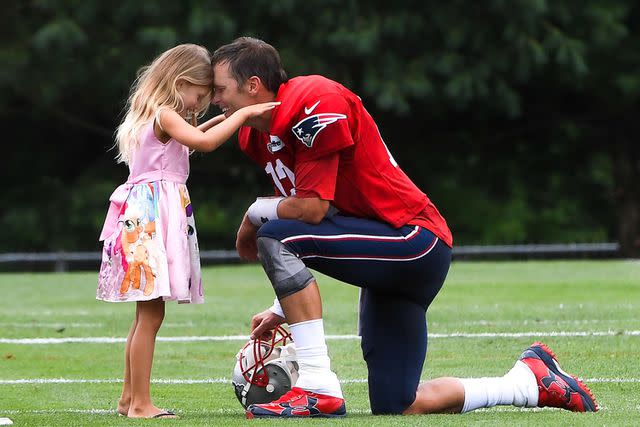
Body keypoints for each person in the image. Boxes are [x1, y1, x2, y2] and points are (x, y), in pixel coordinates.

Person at [211, 37, 598, 418]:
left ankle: (316, 385)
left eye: (220, 90)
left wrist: (253, 213)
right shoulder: (256, 135)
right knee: (397, 402)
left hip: (413, 239)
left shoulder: (313, 97)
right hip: (388, 258)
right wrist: (283, 305)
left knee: (273, 233)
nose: (216, 100)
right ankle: (528, 383)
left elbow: (311, 210)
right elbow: (315, 226)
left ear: (253, 86)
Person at [96, 43, 278, 419]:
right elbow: (205, 142)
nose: (200, 107)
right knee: (150, 316)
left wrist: (222, 119)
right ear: (180, 82)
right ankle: (141, 405)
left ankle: (129, 399)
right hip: (151, 217)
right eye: (198, 96)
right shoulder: (165, 114)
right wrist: (243, 114)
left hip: (140, 214)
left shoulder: (150, 113)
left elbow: (197, 134)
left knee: (144, 314)